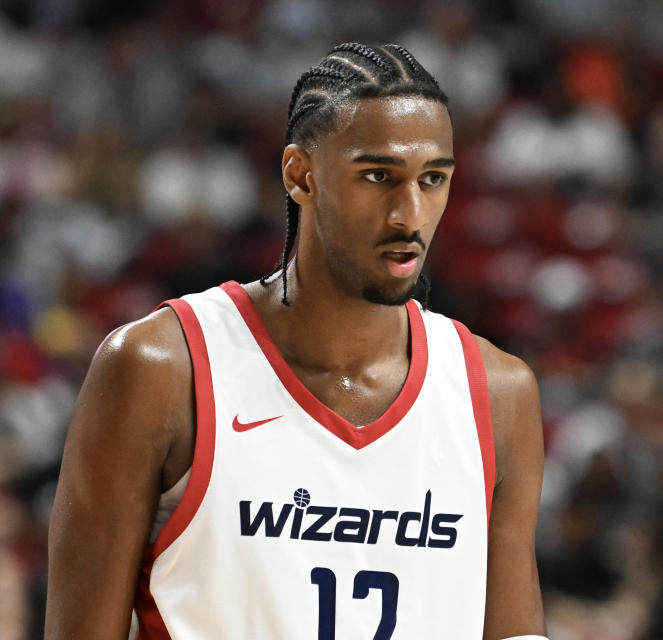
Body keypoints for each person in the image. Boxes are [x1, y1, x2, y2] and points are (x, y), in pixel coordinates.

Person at [45, 43, 547, 640]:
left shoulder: (497, 395)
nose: (409, 214)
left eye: (433, 179)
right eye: (378, 176)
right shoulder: (160, 369)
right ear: (300, 175)